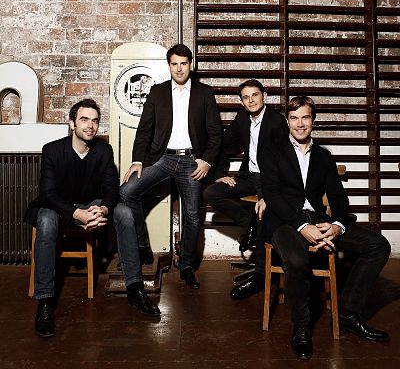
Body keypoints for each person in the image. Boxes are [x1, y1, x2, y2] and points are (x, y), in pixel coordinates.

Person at [258, 96, 391, 360]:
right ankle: (301, 326)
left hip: (319, 219)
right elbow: (272, 195)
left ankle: (348, 314)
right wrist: (301, 226)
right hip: (284, 221)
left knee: (378, 246)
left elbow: (338, 197)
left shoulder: (324, 157)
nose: (300, 124)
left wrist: (337, 225)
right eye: (294, 118)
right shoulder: (271, 151)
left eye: (305, 117)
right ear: (287, 121)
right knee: (297, 260)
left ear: (313, 121)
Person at [25, 99, 159, 339]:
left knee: (124, 213)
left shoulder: (103, 151)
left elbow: (111, 189)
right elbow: (48, 195)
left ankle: (135, 289)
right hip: (58, 207)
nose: (90, 126)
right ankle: (45, 302)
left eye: (95, 121)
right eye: (84, 120)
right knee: (45, 221)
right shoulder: (52, 150)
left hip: (92, 205)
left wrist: (103, 209)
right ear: (72, 123)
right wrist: (77, 214)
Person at [118, 43, 222, 290]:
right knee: (127, 192)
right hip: (162, 158)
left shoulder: (205, 93)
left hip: (192, 161)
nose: (179, 68)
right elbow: (144, 130)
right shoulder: (157, 92)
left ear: (191, 65)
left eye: (183, 64)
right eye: (174, 64)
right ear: (169, 66)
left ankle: (186, 266)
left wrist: (206, 160)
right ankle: (142, 246)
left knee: (192, 216)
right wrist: (137, 160)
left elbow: (215, 133)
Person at [202, 79, 288, 298]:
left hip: (270, 179)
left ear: (264, 96)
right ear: (241, 102)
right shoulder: (242, 118)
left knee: (264, 216)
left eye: (255, 95)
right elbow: (222, 144)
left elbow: (284, 161)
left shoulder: (277, 122)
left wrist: (268, 195)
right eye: (246, 97)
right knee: (211, 193)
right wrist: (220, 174)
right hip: (248, 176)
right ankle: (248, 223)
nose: (251, 101)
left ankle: (259, 278)